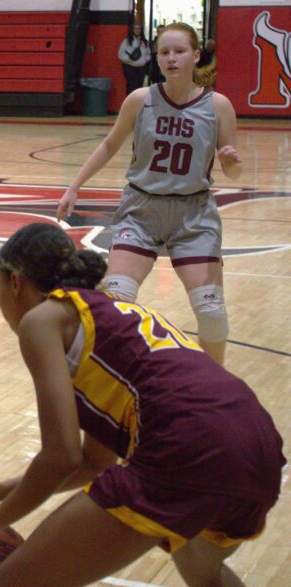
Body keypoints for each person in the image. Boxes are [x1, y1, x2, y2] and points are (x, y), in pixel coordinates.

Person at [0, 222, 284, 587]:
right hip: (257, 447)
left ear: (16, 282)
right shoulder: (106, 312)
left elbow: (61, 456)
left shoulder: (42, 321)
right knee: (200, 569)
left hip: (189, 443)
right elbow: (93, 463)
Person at [57, 22, 241, 365]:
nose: (171, 59)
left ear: (196, 56)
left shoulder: (219, 106)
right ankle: (119, 382)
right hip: (141, 210)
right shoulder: (140, 100)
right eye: (164, 52)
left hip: (194, 214)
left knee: (212, 314)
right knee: (117, 299)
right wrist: (74, 185)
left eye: (179, 51)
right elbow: (110, 144)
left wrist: (231, 162)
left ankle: (215, 387)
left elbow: (232, 169)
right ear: (157, 58)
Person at [117, 21, 150, 96]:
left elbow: (148, 54)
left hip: (141, 68)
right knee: (132, 86)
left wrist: (144, 60)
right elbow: (120, 54)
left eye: (139, 29)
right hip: (129, 67)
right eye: (135, 28)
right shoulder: (127, 41)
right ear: (132, 30)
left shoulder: (144, 42)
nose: (137, 30)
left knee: (139, 87)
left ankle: (138, 103)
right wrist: (130, 60)